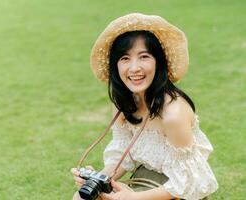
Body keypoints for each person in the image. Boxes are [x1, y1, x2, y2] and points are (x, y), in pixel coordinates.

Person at [71, 13, 218, 200]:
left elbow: (192, 182)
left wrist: (133, 198)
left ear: (159, 61)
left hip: (178, 191)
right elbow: (123, 156)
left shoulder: (173, 113)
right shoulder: (122, 103)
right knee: (81, 197)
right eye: (125, 58)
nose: (134, 68)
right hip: (145, 179)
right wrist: (97, 180)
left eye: (144, 57)